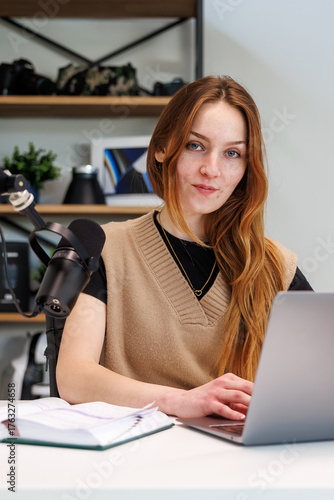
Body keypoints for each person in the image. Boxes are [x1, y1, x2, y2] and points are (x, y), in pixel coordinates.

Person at [57, 75, 312, 420]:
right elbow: (73, 378)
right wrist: (182, 401)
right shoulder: (106, 248)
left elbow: (318, 378)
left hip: (243, 462)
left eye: (233, 153)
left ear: (245, 169)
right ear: (162, 148)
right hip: (138, 461)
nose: (212, 169)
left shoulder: (275, 265)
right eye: (196, 146)